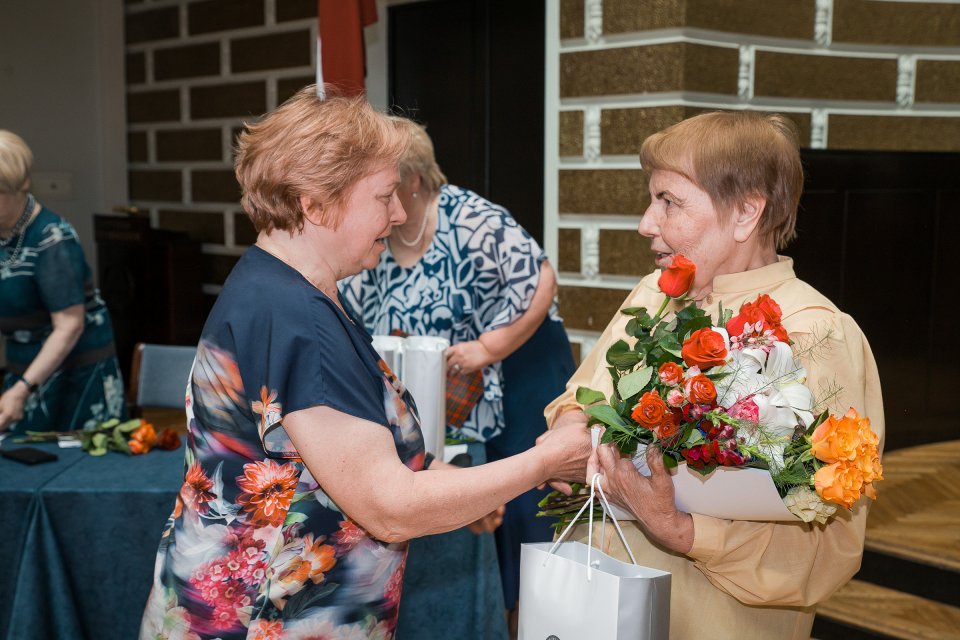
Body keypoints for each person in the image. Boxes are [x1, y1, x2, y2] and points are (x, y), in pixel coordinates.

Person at [138, 86, 590, 639]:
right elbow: (389, 507)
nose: (399, 212)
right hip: (264, 617)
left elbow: (330, 458)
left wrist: (460, 486)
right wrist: (542, 465)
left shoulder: (275, 287)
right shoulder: (298, 319)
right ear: (315, 202)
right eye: (383, 196)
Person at [544, 111, 885, 640]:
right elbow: (580, 399)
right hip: (607, 603)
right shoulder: (655, 294)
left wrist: (683, 530)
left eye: (669, 202)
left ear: (747, 211)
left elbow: (831, 544)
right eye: (651, 198)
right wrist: (568, 437)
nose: (645, 223)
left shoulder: (816, 333)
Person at [340, 116, 576, 635]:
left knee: (524, 499)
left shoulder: (472, 218)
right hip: (441, 379)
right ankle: (481, 613)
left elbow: (541, 279)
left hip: (520, 364)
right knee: (464, 488)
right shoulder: (374, 235)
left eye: (383, 182)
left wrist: (491, 347)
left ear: (415, 181)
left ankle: (531, 620)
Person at [0, 130, 126, 435]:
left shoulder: (52, 239)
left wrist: (22, 390)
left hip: (76, 375)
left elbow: (69, 325)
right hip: (23, 366)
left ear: (22, 186)